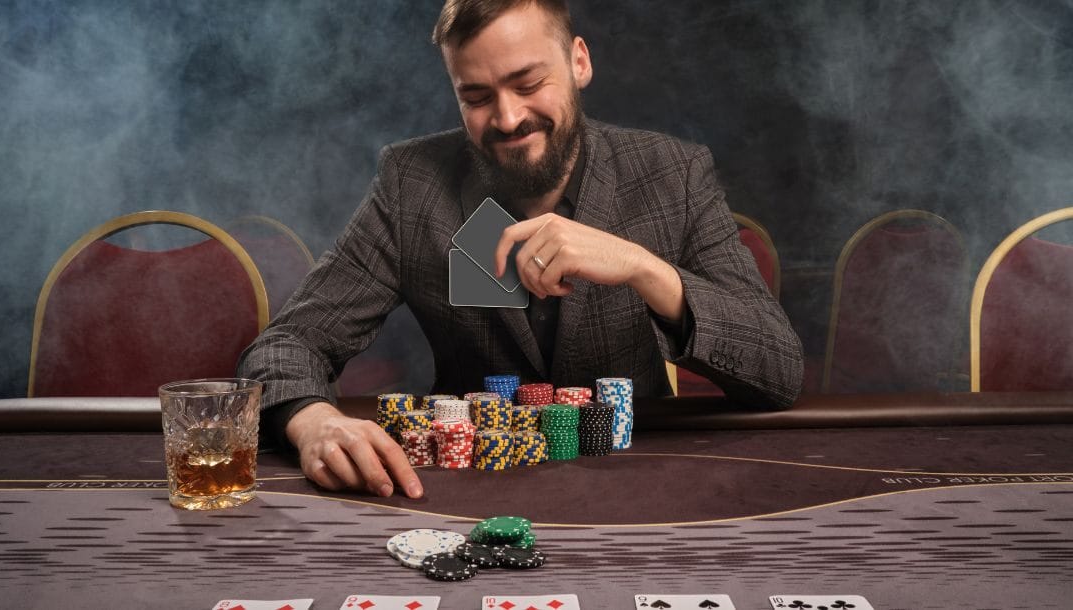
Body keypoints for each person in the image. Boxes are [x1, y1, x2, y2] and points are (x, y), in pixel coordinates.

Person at [237, 0, 804, 500]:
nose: (508, 118)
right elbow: (288, 343)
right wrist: (310, 421)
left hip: (640, 479)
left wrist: (645, 269)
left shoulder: (671, 173)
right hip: (466, 488)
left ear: (578, 62)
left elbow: (778, 369)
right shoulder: (413, 183)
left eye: (529, 84)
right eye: (477, 96)